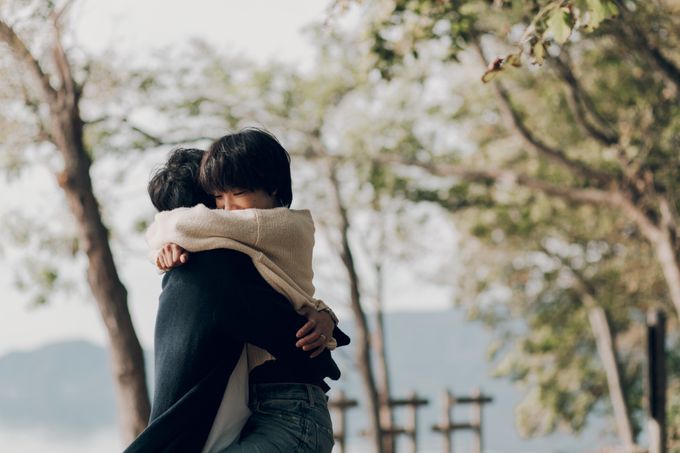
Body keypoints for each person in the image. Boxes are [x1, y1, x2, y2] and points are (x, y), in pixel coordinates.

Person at [125, 145, 348, 453]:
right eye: (218, 197)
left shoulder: (241, 248)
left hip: (292, 415)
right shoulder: (207, 270)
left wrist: (325, 320)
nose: (228, 210)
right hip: (273, 413)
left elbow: (302, 346)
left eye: (234, 192)